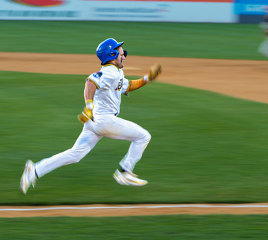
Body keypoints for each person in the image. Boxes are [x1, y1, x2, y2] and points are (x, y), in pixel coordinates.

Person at [20, 38, 162, 194]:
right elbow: (90, 82)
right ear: (113, 55)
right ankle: (125, 172)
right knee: (143, 136)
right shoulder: (109, 72)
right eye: (122, 53)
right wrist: (88, 106)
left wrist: (148, 78)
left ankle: (34, 170)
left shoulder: (116, 73)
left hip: (93, 123)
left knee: (75, 154)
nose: (125, 56)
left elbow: (129, 85)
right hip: (104, 121)